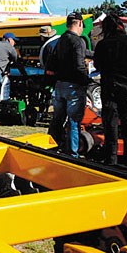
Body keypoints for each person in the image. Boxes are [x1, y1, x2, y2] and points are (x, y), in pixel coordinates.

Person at [94, 13, 127, 167]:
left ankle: (111, 159)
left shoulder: (103, 44)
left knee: (110, 123)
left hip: (109, 86)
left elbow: (97, 65)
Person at [48, 12, 93, 158]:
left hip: (60, 85)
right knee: (74, 121)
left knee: (58, 119)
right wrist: (87, 81)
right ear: (79, 23)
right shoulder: (78, 40)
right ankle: (72, 153)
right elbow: (79, 65)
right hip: (74, 86)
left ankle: (52, 147)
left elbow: (53, 62)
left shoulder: (61, 39)